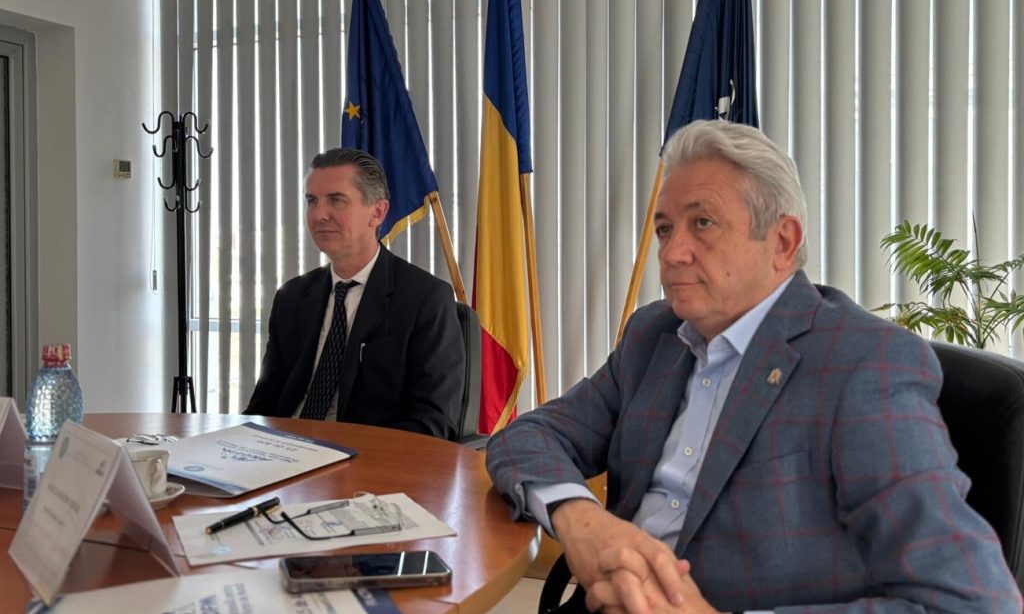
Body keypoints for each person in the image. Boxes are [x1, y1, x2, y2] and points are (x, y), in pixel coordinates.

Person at [486, 120, 1022, 612]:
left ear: (782, 242)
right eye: (665, 229)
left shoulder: (864, 366)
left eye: (702, 223)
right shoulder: (654, 335)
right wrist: (581, 519)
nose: (672, 253)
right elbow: (528, 437)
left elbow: (975, 601)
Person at [245, 148, 464, 440]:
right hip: (284, 451)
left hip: (368, 457)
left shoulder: (425, 299)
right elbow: (264, 404)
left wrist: (346, 453)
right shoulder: (292, 296)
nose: (319, 214)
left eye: (336, 200)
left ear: (378, 212)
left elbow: (433, 422)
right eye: (312, 201)